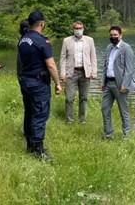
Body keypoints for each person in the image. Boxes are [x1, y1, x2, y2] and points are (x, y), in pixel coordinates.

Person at [18, 11, 62, 161]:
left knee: (29, 112)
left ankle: (30, 145)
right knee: (40, 114)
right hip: (38, 83)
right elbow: (50, 65)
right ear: (42, 24)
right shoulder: (42, 42)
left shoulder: (23, 39)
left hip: (25, 80)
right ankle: (38, 149)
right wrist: (58, 83)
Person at [101, 26, 135, 139]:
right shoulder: (108, 48)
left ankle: (126, 136)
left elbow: (129, 70)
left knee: (123, 111)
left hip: (120, 85)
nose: (113, 37)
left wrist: (125, 85)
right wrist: (102, 82)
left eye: (115, 35)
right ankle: (108, 135)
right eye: (111, 35)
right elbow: (105, 66)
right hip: (108, 84)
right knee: (105, 109)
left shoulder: (127, 48)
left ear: (120, 35)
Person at [60, 21, 97, 124]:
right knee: (69, 98)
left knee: (84, 98)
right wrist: (63, 73)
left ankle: (82, 120)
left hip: (85, 72)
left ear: (83, 28)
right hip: (71, 73)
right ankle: (69, 120)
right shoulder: (66, 41)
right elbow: (63, 58)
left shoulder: (89, 40)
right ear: (73, 29)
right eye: (76, 28)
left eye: (80, 28)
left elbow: (93, 56)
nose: (78, 30)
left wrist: (94, 72)